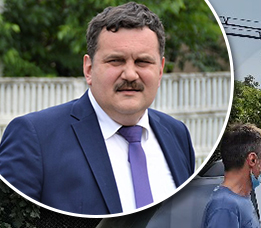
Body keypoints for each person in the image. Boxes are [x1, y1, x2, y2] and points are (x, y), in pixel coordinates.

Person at [0, 2, 195, 215]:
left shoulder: (177, 135)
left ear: (160, 71)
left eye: (142, 62)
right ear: (89, 69)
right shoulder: (35, 138)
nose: (130, 74)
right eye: (116, 60)